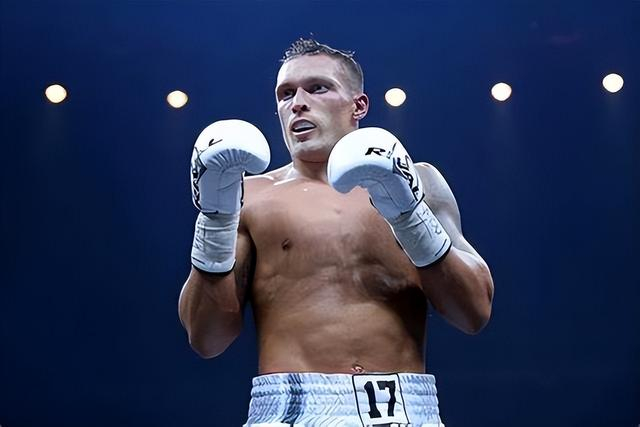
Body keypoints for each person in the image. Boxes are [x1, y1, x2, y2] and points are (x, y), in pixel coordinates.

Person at [179, 38, 494, 427]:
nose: (298, 103)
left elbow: (474, 312)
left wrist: (409, 215)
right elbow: (207, 339)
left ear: (358, 105)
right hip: (290, 411)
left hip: (406, 409)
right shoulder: (247, 197)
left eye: (317, 88)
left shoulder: (419, 182)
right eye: (286, 94)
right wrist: (214, 218)